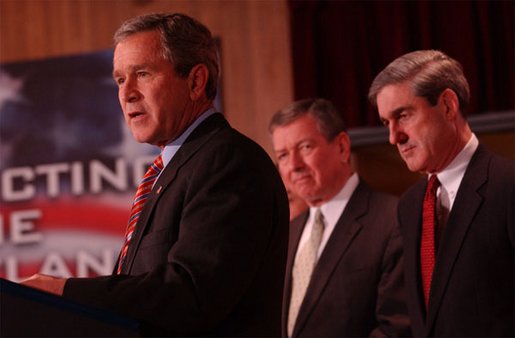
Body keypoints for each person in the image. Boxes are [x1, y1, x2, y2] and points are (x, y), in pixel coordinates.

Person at [21, 12, 290, 337]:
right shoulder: (172, 170)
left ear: (195, 81)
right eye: (120, 79)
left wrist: (65, 292)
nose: (126, 93)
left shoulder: (228, 161)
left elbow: (191, 293)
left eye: (143, 74)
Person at [368, 50, 514, 337]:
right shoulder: (410, 205)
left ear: (448, 105)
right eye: (387, 122)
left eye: (403, 115)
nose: (393, 137)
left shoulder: (507, 187)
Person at [269, 98, 410, 338]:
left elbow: (398, 327)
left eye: (305, 148)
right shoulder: (288, 233)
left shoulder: (392, 219)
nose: (294, 165)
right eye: (283, 155)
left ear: (343, 147)